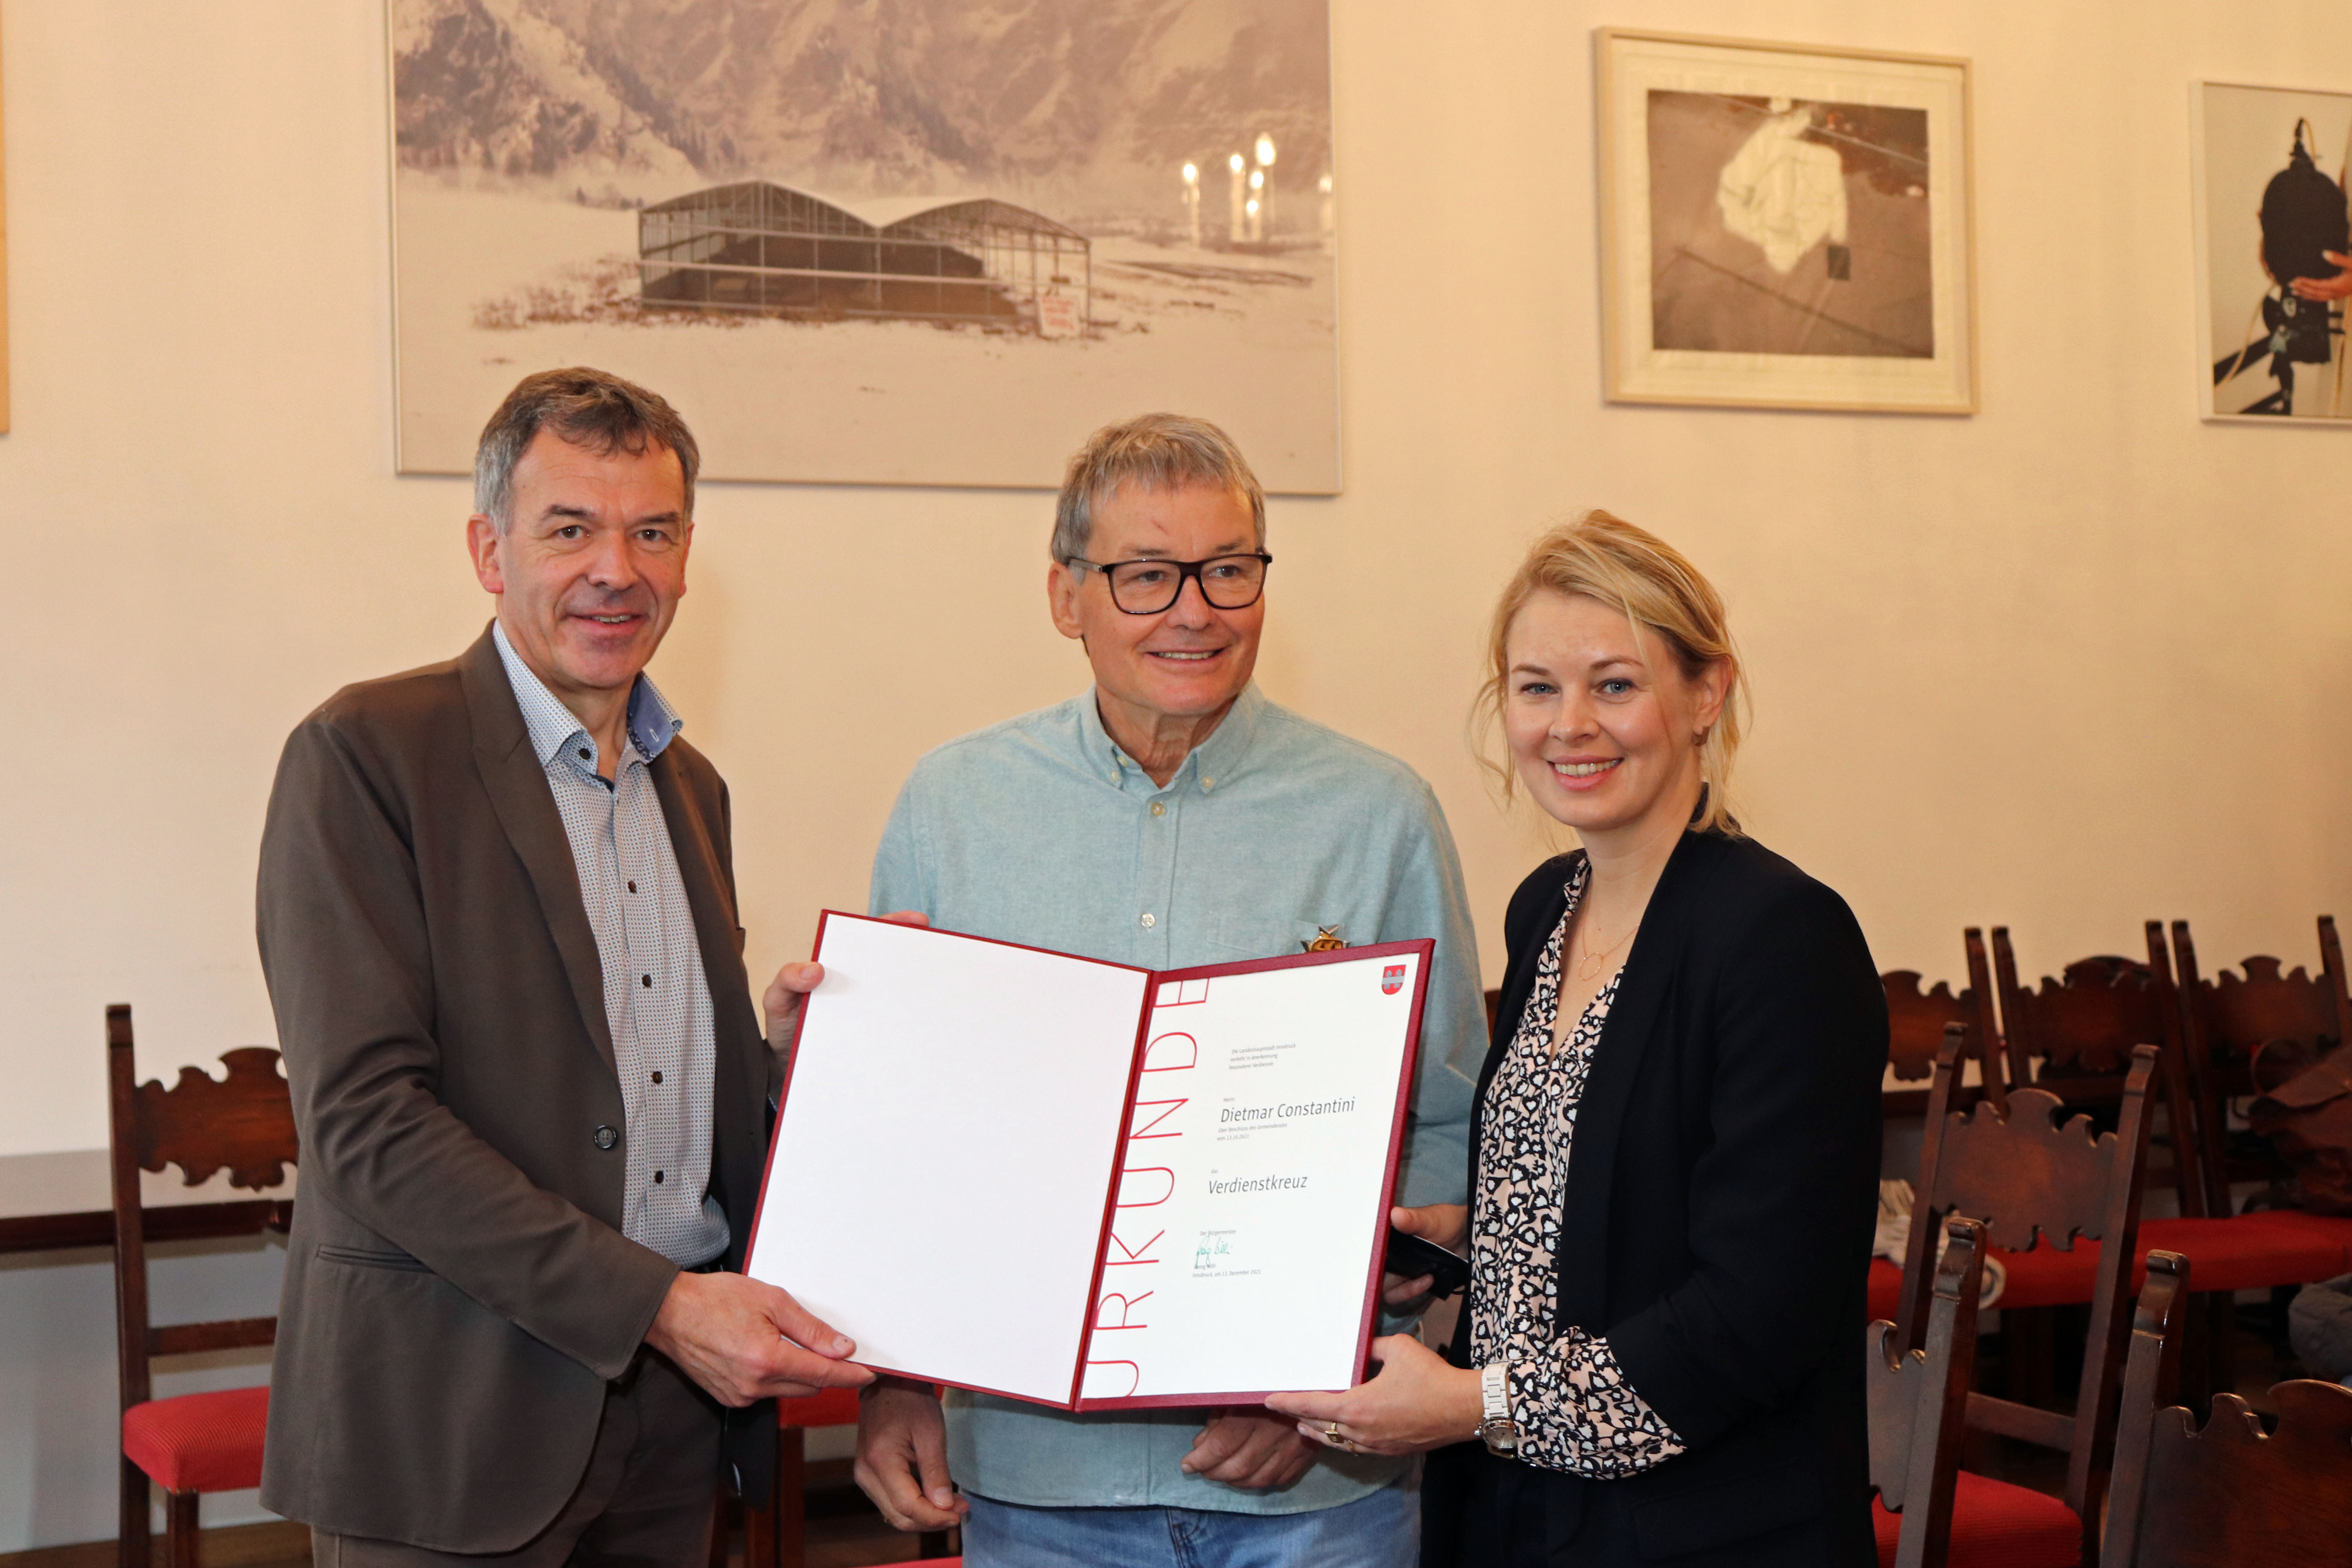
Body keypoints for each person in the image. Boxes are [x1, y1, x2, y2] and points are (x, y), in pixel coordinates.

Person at [835, 412, 1484, 1567]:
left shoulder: (1378, 815)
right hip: (1040, 1482)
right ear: (1064, 595)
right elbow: (901, 1140)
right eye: (1145, 575)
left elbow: (1442, 1129)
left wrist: (1317, 1373)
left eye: (1228, 569)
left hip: (1316, 1489)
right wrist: (891, 1380)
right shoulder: (953, 808)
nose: (1194, 610)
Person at [256, 368, 871, 1566]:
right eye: (571, 528)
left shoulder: (691, 791)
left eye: (652, 531)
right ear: (490, 551)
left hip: (674, 1430)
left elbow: (635, 1092)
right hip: (455, 1421)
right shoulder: (367, 754)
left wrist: (782, 1066)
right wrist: (658, 1307)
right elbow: (366, 1122)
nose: (616, 568)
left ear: (690, 554)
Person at [1268, 512, 1888, 1566]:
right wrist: (1474, 1236)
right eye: (1536, 686)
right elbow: (1621, 1178)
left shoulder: (1783, 935)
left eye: (1613, 683)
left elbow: (1757, 1310)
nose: (1570, 725)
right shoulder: (1545, 907)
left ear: (1705, 694)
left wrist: (1474, 1401)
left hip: (1704, 1523)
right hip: (1514, 1518)